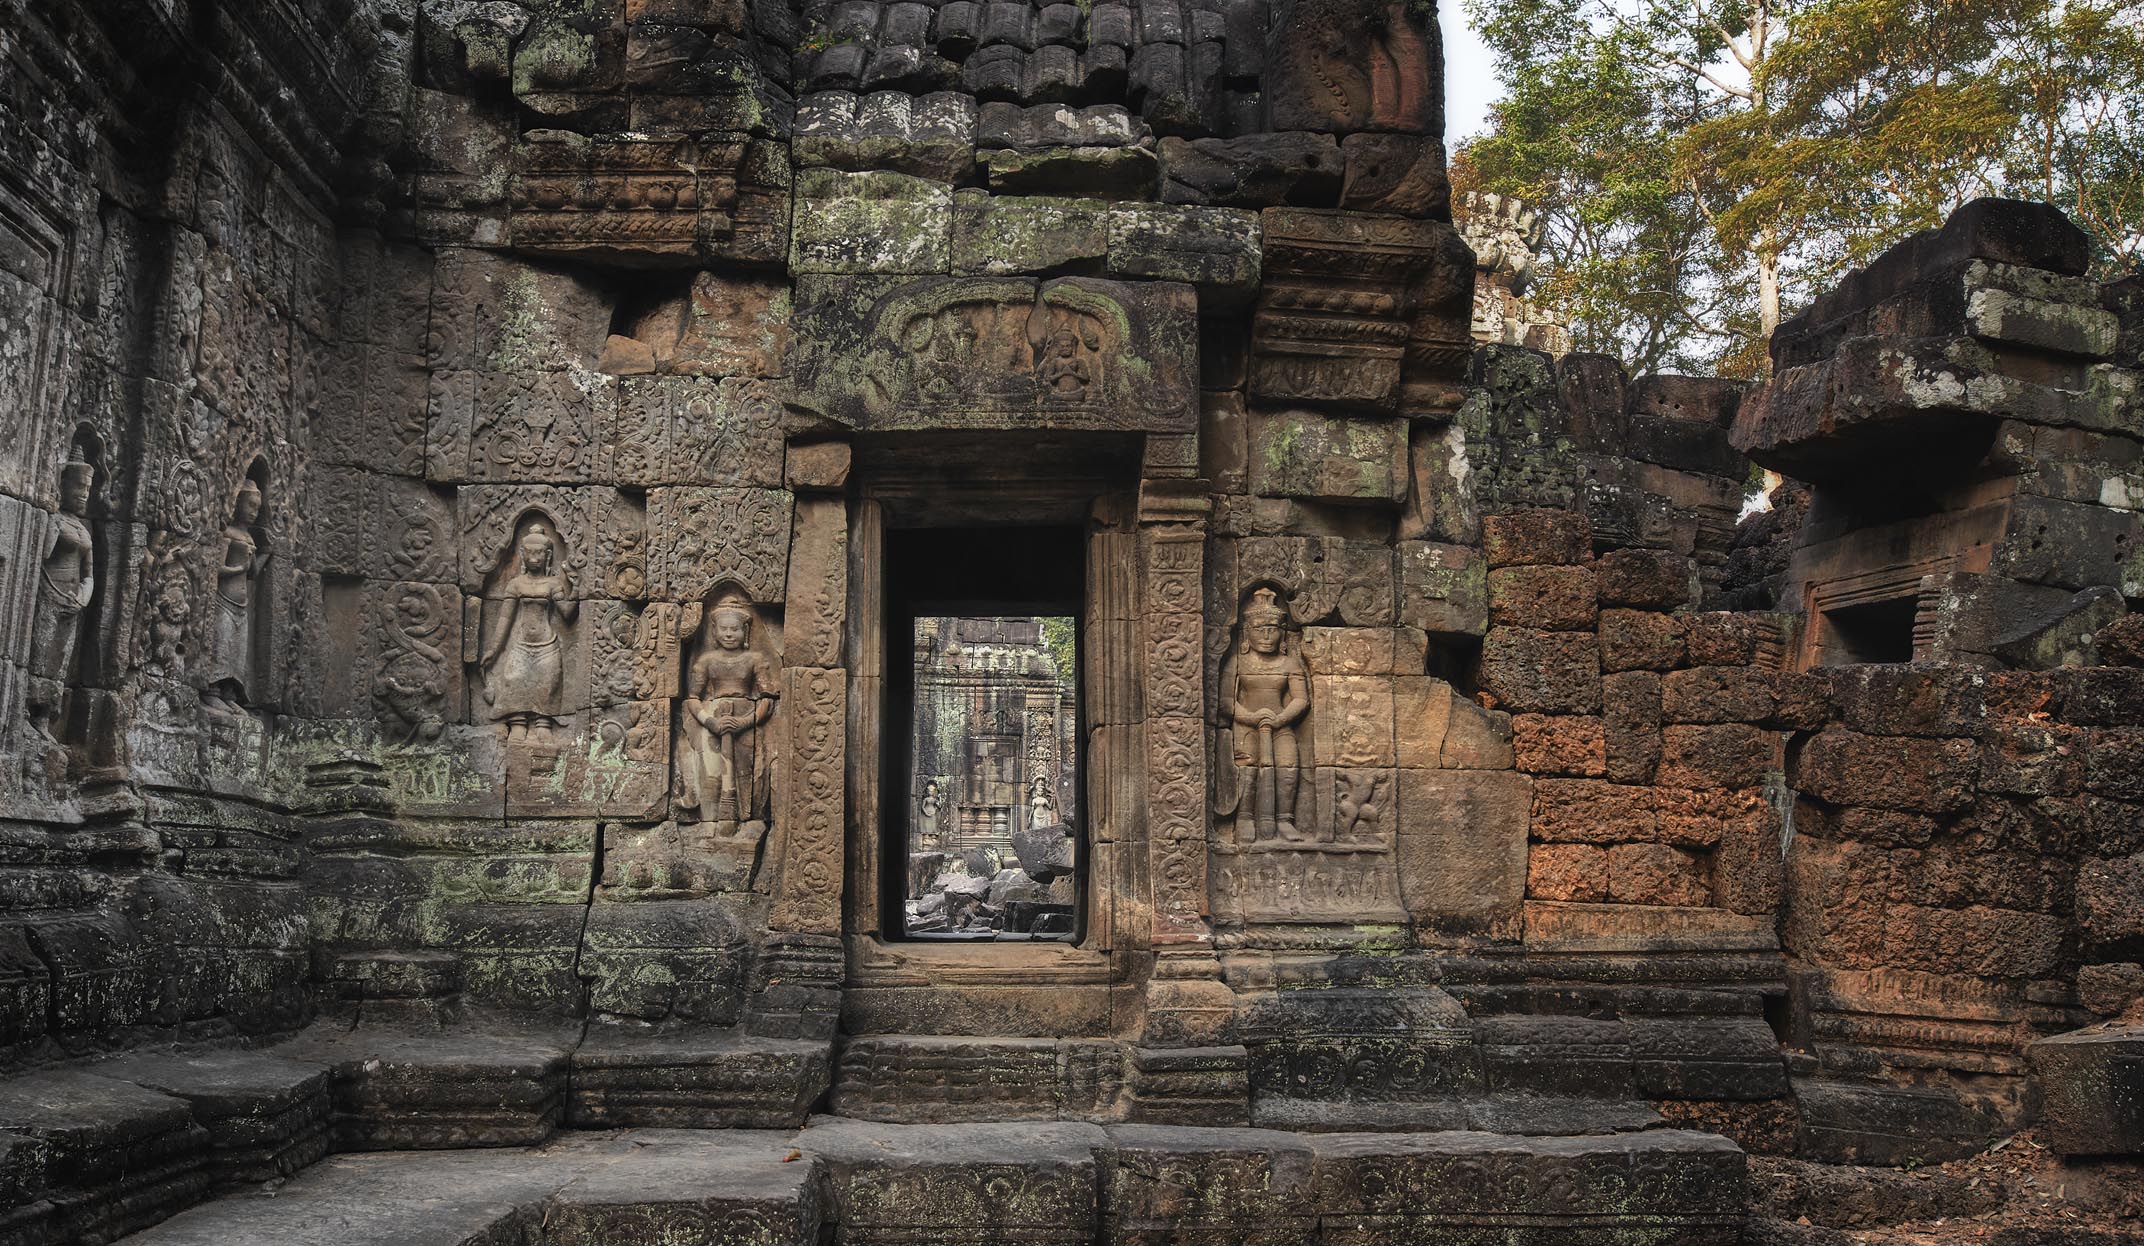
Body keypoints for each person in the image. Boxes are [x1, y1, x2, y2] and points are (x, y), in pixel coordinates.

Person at [1215, 586, 1311, 842]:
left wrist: (1280, 719)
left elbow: (1301, 699)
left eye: (1273, 629)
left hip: (1280, 724)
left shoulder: (1290, 663)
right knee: (1248, 769)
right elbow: (1226, 701)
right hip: (1246, 724)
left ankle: (1285, 820)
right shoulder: (1238, 662)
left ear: (1282, 633)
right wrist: (1251, 717)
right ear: (1247, 632)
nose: (1267, 636)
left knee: (1288, 767)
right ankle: (1245, 818)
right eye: (1260, 629)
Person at [679, 592, 778, 838]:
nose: (729, 634)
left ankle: (746, 818)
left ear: (745, 631)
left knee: (748, 772)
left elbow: (767, 698)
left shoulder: (755, 659)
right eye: (724, 629)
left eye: (734, 629)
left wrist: (745, 722)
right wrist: (710, 721)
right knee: (710, 771)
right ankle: (710, 821)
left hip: (747, 719)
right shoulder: (707, 660)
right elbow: (692, 698)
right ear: (714, 631)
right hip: (713, 719)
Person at [479, 522, 576, 741]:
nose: (534, 558)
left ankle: (542, 724)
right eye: (530, 552)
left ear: (548, 556)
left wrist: (577, 588)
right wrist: (494, 649)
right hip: (521, 645)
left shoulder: (553, 583)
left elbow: (567, 613)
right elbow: (504, 619)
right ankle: (518, 723)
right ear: (522, 554)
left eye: (539, 553)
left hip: (547, 644)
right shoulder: (516, 584)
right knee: (514, 679)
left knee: (548, 681)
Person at [203, 478, 267, 715]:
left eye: (257, 509)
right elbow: (217, 569)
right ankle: (211, 692)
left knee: (237, 652)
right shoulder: (228, 533)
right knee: (221, 644)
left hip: (242, 603)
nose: (254, 512)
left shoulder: (249, 537)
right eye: (250, 506)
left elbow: (253, 574)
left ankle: (230, 694)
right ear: (237, 503)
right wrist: (240, 567)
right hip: (224, 600)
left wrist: (263, 555)